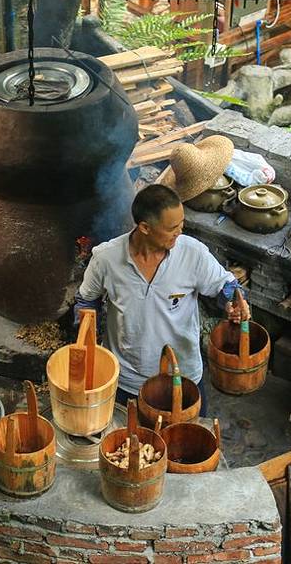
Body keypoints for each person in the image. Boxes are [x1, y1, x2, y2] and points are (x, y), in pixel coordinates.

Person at [75, 136, 250, 416]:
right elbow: (87, 300)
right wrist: (87, 339)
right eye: (171, 228)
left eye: (181, 224)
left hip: (183, 377)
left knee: (190, 439)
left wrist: (233, 302)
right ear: (145, 228)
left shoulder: (192, 253)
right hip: (127, 381)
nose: (179, 232)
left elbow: (225, 286)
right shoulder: (106, 258)